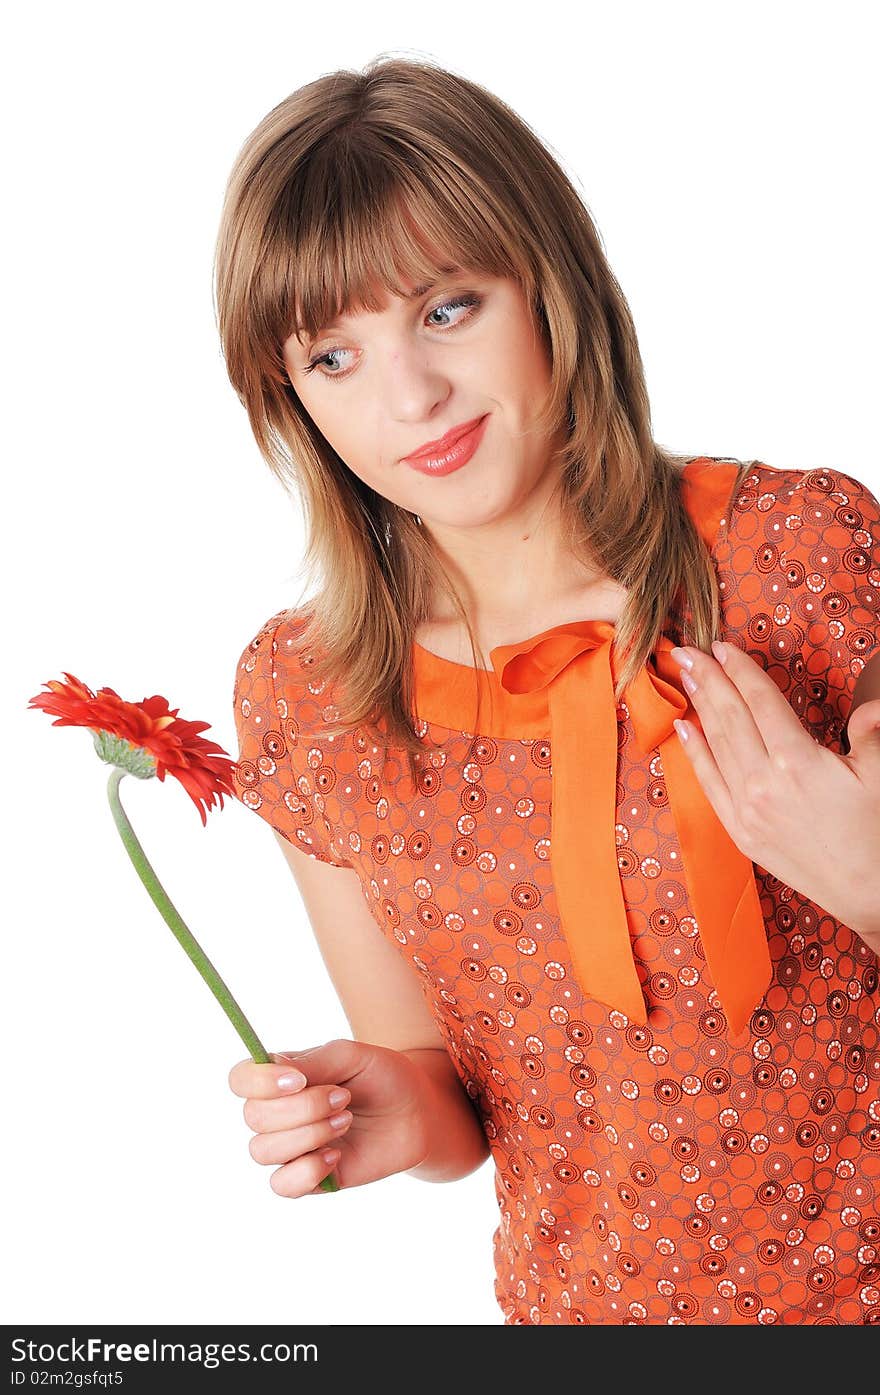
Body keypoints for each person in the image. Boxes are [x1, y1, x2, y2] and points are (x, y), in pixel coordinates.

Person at [214, 57, 880, 1325]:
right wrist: (385, 1108)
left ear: (549, 284)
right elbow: (452, 1101)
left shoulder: (804, 557)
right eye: (332, 357)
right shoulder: (311, 701)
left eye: (447, 310)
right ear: (287, 399)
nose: (409, 399)